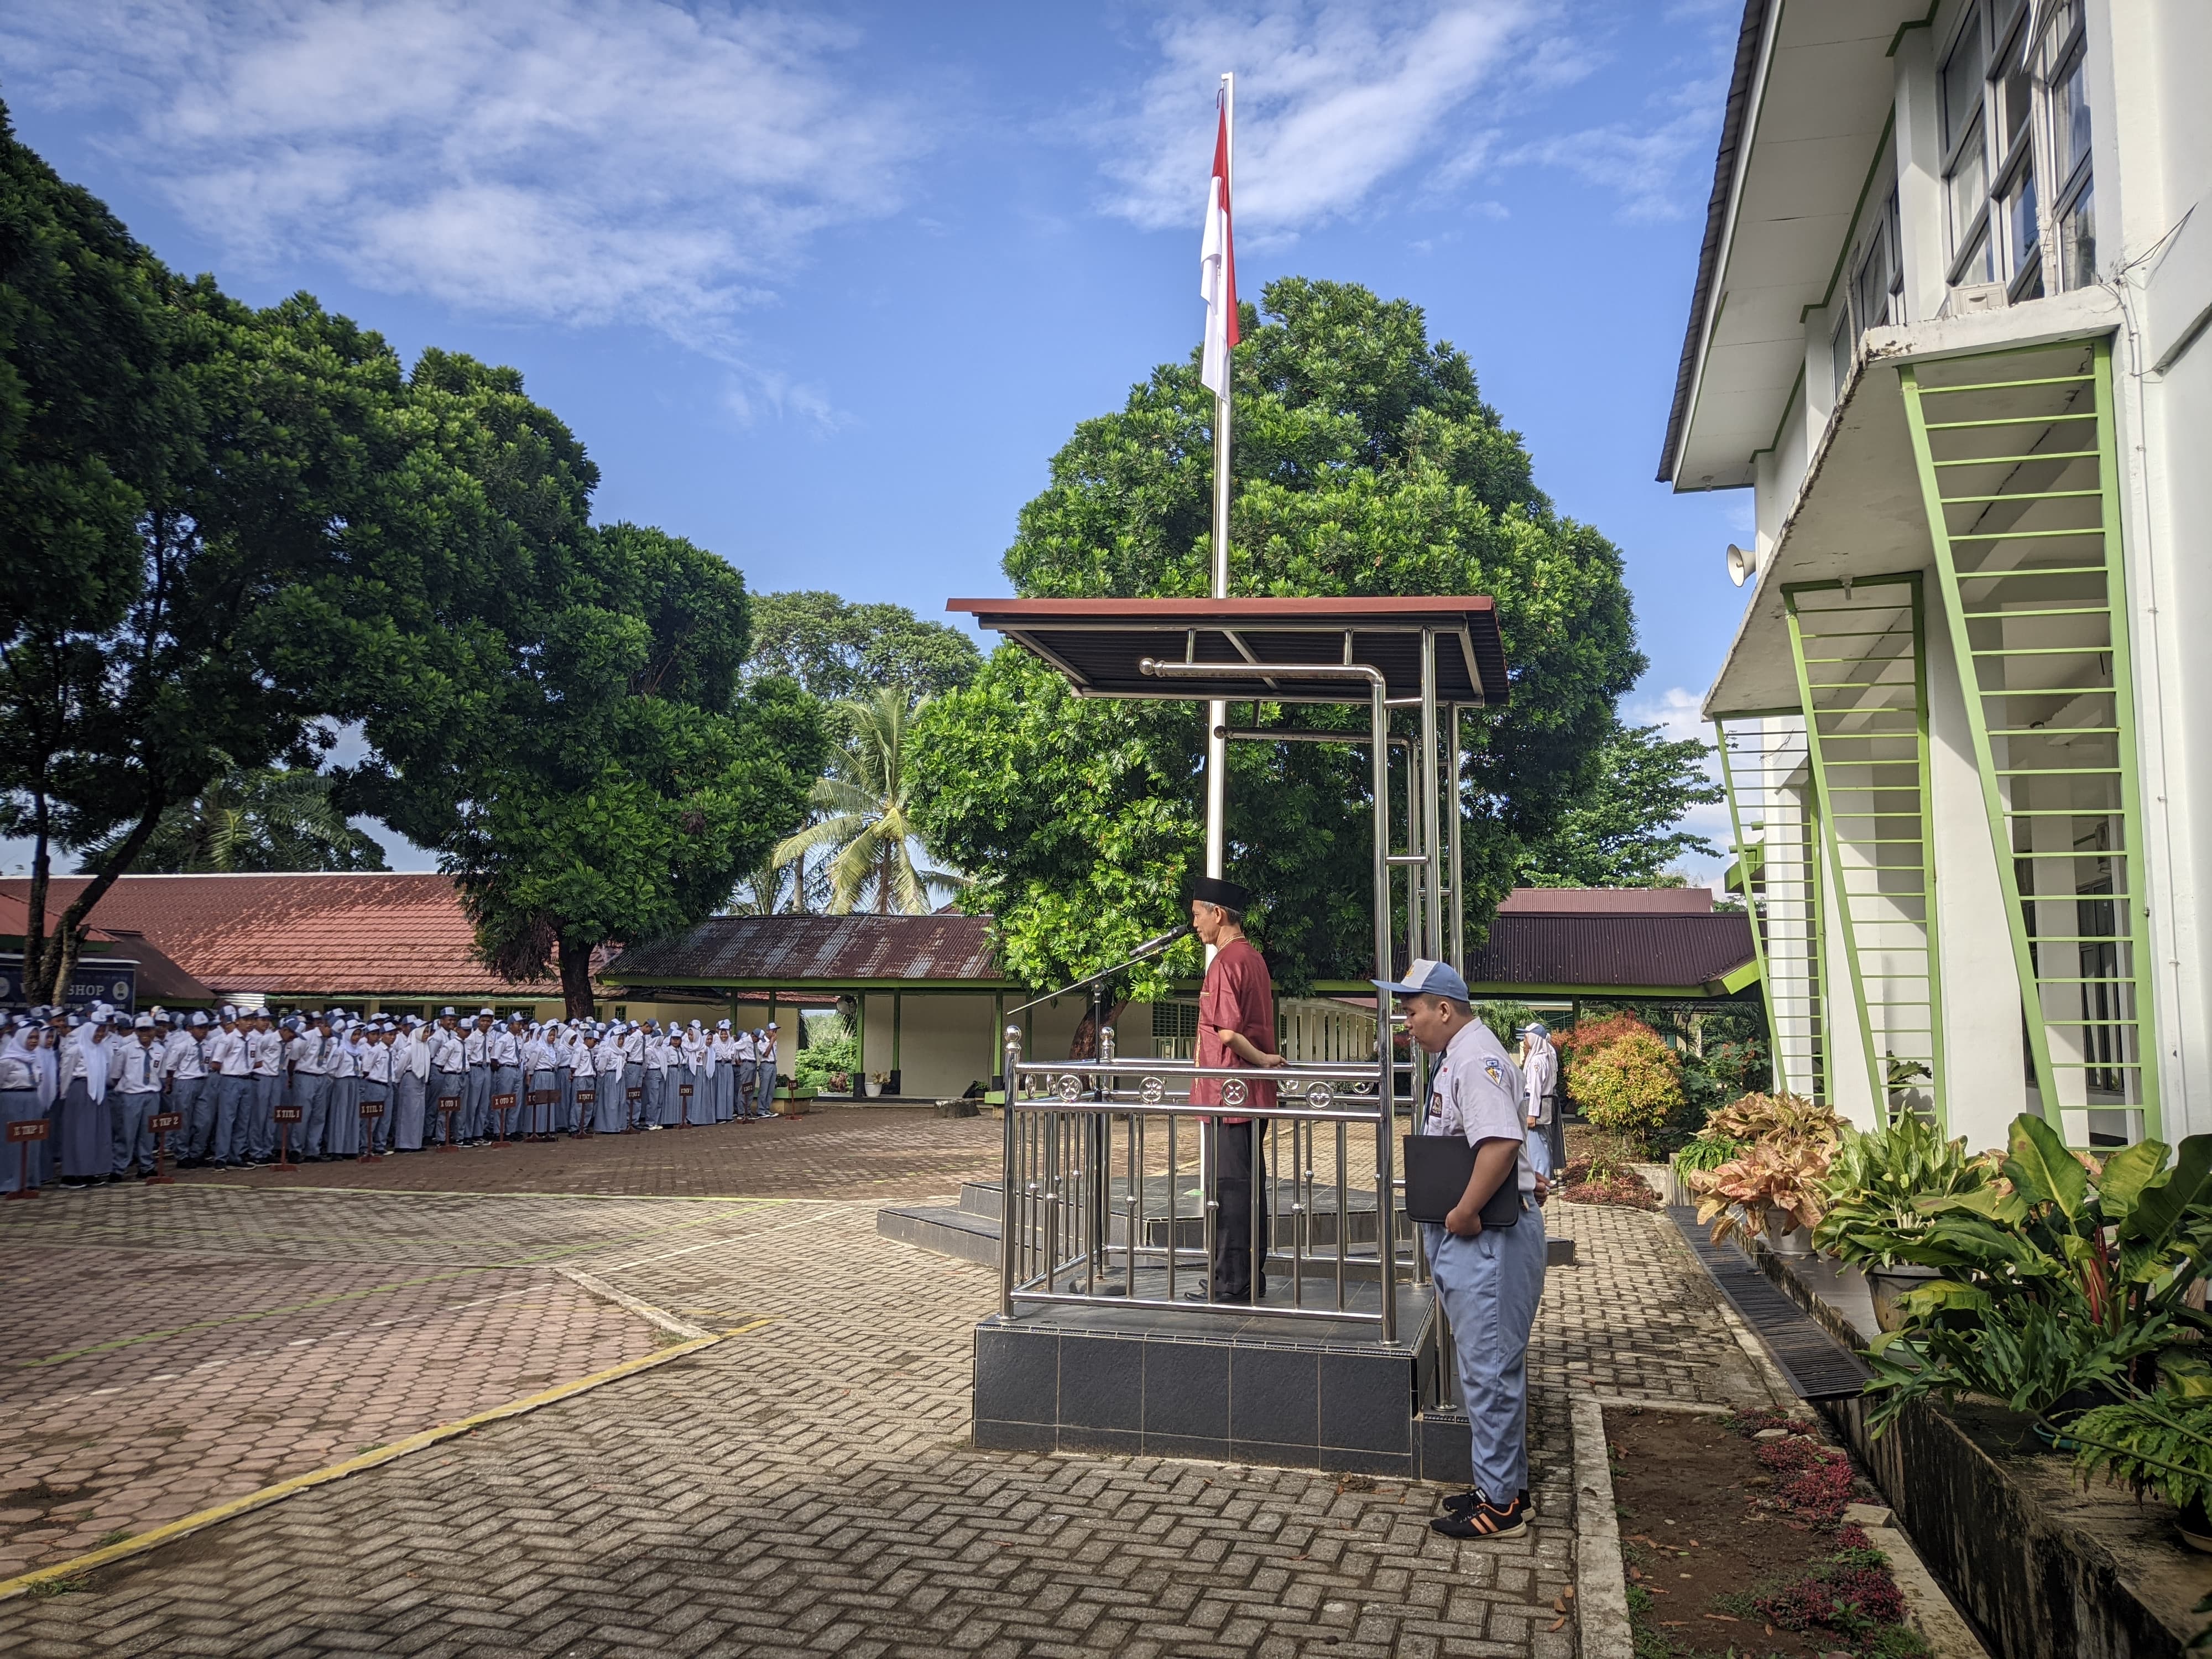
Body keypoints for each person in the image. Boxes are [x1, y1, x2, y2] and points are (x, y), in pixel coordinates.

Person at [1379, 957, 1546, 1541]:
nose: (1407, 1023)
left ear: (1444, 1009)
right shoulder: (1464, 1053)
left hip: (1487, 1237)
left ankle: (1502, 1508)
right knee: (1488, 1368)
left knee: (1488, 1371)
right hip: (1486, 1235)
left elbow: (1498, 1143)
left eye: (1412, 1012)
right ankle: (1504, 1488)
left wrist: (1465, 1211)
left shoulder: (1473, 1059)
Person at [1187, 875, 1285, 1305]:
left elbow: (1227, 1032)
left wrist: (1261, 1059)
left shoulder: (1226, 962)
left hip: (1229, 1094)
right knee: (1248, 1188)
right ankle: (1248, 1278)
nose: (1195, 924)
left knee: (1229, 1192)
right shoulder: (1253, 958)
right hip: (1249, 1095)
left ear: (1218, 913)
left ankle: (1230, 1283)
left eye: (1198, 915)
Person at [56, 1010, 113, 1186]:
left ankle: (90, 1171)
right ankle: (71, 1174)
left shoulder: (102, 1050)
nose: (100, 1034)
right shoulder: (76, 1050)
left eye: (103, 1030)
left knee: (96, 1132)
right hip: (80, 1091)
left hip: (99, 1094)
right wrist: (65, 1094)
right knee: (78, 1133)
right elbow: (66, 1074)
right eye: (98, 1030)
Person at [112, 1012, 164, 1178]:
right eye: (142, 1030)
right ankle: (119, 1168)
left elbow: (161, 1075)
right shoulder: (125, 1050)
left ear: (154, 1031)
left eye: (149, 1030)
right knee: (126, 1133)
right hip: (131, 1096)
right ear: (136, 1032)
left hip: (152, 1095)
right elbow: (115, 1075)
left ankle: (146, 1166)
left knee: (148, 1134)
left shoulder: (161, 1050)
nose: (145, 1034)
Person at [1, 1021, 47, 1194]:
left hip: (32, 1099)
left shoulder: (34, 1058)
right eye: (30, 1037)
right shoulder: (7, 1061)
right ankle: (9, 1181)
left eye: (36, 1037)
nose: (34, 1041)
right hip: (12, 1100)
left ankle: (28, 1180)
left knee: (32, 1140)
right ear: (21, 1038)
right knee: (12, 1142)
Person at [206, 1006, 253, 1167]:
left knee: (243, 1119)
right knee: (227, 1119)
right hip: (230, 1079)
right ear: (237, 1021)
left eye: (251, 1020)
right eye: (246, 1020)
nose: (249, 1023)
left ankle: (236, 1155)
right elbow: (216, 1063)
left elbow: (257, 1062)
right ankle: (221, 1156)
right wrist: (230, 1071)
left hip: (247, 1079)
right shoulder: (228, 1039)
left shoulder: (252, 1040)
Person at [166, 1011, 212, 1166]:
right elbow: (171, 1067)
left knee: (204, 1121)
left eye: (206, 1027)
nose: (204, 1031)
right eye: (200, 1028)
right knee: (184, 1121)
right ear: (190, 1029)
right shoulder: (181, 1045)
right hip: (185, 1081)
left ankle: (197, 1153)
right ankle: (182, 1155)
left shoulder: (208, 1045)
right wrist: (170, 1084)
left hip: (203, 1081)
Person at [1517, 1022, 1559, 1179]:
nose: (1524, 1041)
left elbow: (1535, 1089)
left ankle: (1542, 1178)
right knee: (1542, 1142)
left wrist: (1532, 1114)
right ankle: (1545, 1177)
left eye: (1526, 1037)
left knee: (1537, 1145)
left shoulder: (1536, 1061)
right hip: (1541, 1103)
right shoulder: (1544, 1057)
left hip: (1536, 1105)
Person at [429, 1009, 467, 1147]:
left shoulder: (453, 1035)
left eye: (454, 1019)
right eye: (449, 1019)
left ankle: (446, 1134)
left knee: (451, 1105)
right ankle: (430, 1134)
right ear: (441, 1021)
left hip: (451, 1073)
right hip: (439, 1070)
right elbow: (432, 1056)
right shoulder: (437, 1036)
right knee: (436, 1104)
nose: (452, 1022)